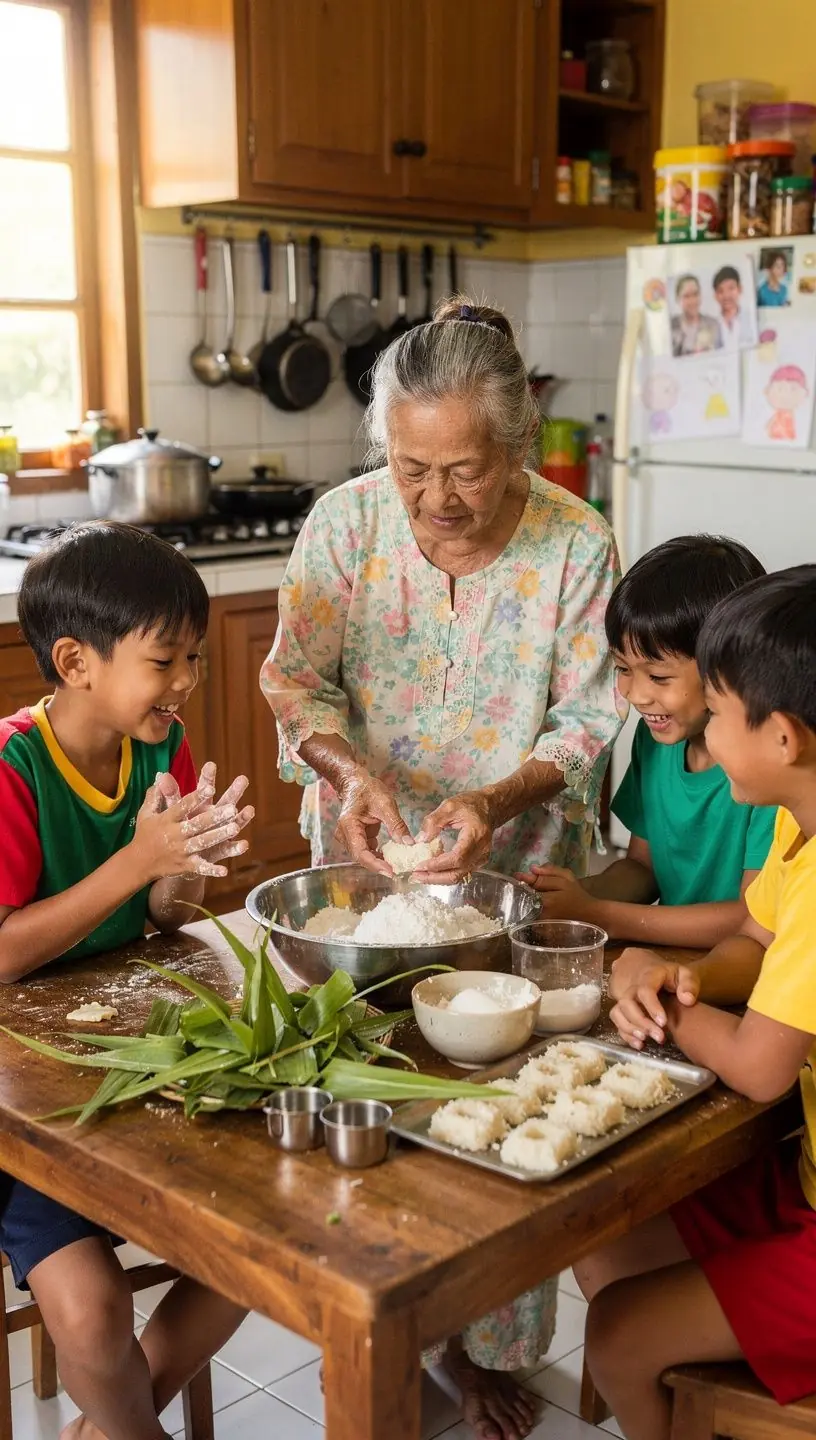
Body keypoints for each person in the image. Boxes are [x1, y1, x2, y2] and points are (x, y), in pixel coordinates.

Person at [261, 296, 623, 1439]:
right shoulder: (344, 526)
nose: (435, 500)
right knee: (372, 1096)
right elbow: (293, 681)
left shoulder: (576, 541)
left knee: (500, 1106)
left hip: (516, 872)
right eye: (411, 468)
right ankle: (370, 1322)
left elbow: (586, 718)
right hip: (365, 873)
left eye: (463, 470)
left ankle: (491, 1351)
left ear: (517, 445)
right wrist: (345, 771)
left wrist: (494, 797)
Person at [0, 522, 254, 1440]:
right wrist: (135, 860)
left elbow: (160, 916)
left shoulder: (163, 745)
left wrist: (186, 872)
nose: (187, 679)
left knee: (259, 1252)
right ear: (75, 661)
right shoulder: (11, 772)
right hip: (25, 1094)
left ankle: (102, 1431)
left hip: (137, 1056)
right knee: (92, 1312)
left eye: (192, 656)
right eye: (165, 659)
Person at [576, 566, 816, 1440]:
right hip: (802, 1179)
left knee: (618, 1332)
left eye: (717, 710)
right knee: (604, 1222)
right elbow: (753, 940)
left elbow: (756, 1069)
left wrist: (664, 1009)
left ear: (781, 737)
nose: (705, 734)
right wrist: (676, 977)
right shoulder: (801, 819)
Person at [521, 535, 776, 948]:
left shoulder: (772, 770)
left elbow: (752, 921)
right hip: (675, 959)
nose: (636, 695)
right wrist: (572, 897)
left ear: (729, 666)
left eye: (658, 677)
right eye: (623, 668)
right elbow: (643, 866)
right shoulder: (657, 737)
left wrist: (598, 914)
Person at [670, 274, 722, 357]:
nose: (692, 301)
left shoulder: (713, 325)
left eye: (695, 294)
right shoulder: (671, 328)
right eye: (686, 296)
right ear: (678, 299)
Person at [712, 265, 755, 350]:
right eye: (721, 291)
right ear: (715, 296)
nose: (726, 295)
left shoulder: (752, 318)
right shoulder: (712, 325)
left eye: (731, 288)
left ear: (740, 289)